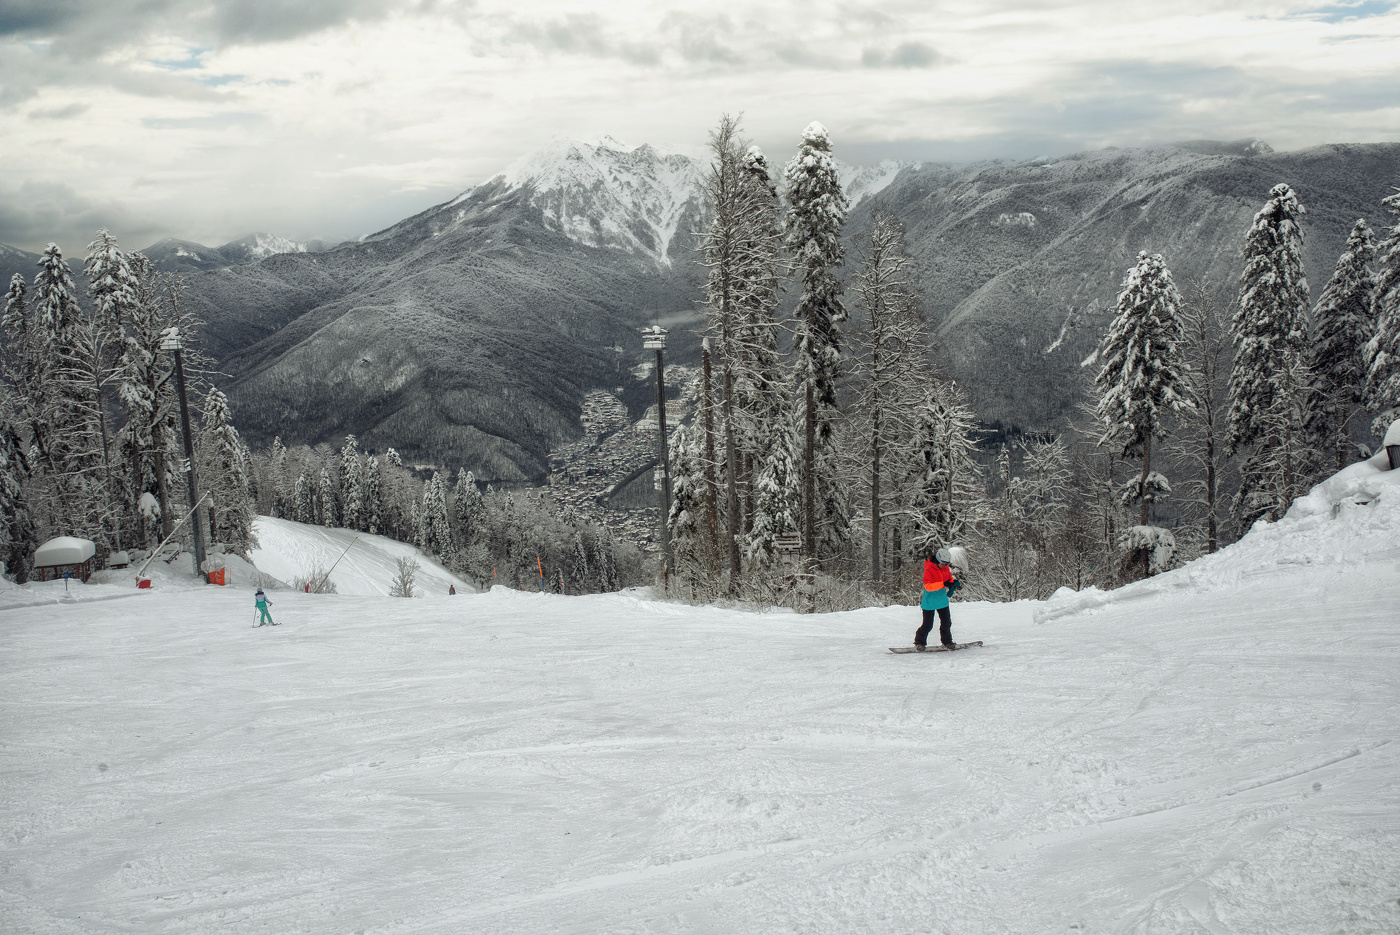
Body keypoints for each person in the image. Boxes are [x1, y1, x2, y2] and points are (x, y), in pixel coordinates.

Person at [914, 547, 960, 650]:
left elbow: (948, 579)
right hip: (930, 601)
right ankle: (919, 642)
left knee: (946, 623)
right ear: (938, 560)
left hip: (942, 600)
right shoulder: (929, 569)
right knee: (928, 625)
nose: (945, 566)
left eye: (947, 564)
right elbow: (928, 587)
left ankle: (947, 642)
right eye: (943, 564)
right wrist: (943, 583)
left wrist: (953, 583)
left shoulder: (945, 568)